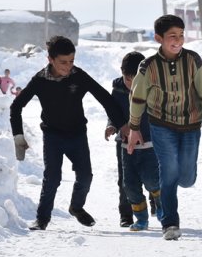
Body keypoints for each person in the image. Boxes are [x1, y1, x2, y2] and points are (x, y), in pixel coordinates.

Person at [10, 36, 125, 231]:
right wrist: (19, 137)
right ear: (50, 59)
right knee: (52, 178)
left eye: (71, 61)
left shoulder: (78, 76)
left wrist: (122, 125)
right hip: (52, 136)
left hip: (77, 135)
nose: (68, 66)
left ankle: (76, 207)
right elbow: (16, 107)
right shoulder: (39, 80)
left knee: (86, 176)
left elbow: (105, 99)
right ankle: (42, 219)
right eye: (63, 62)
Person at [128, 14, 202, 240]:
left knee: (187, 178)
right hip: (162, 125)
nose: (178, 40)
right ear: (159, 38)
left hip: (190, 124)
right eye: (172, 36)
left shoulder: (193, 60)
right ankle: (170, 223)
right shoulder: (148, 66)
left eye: (181, 35)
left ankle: (176, 181)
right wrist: (134, 127)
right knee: (168, 172)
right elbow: (138, 98)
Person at [107, 51, 161, 230]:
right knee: (128, 183)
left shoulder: (153, 87)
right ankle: (134, 217)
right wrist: (112, 125)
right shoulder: (118, 88)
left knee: (152, 179)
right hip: (125, 145)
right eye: (127, 79)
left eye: (135, 80)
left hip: (149, 144)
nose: (130, 85)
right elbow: (114, 111)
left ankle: (159, 203)